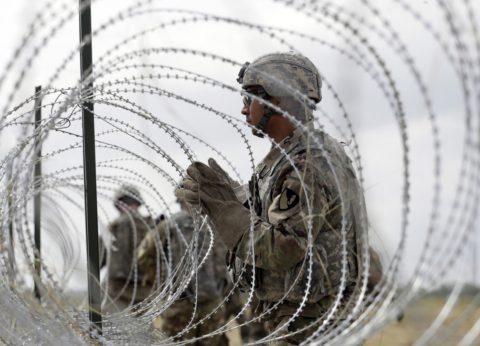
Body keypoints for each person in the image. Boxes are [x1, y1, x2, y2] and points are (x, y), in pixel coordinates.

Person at [175, 51, 369, 345]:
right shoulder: (288, 158)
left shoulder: (308, 163)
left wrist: (223, 210)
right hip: (295, 317)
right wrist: (231, 195)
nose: (243, 110)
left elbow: (283, 247)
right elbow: (271, 216)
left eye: (249, 98)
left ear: (278, 99)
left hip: (309, 322)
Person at [137, 195, 229, 346]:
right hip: (212, 299)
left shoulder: (170, 225)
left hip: (182, 301)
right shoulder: (215, 226)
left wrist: (163, 282)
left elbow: (143, 255)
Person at [102, 185, 152, 314]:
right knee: (141, 331)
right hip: (144, 290)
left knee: (108, 330)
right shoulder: (152, 226)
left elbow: (97, 258)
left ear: (120, 203)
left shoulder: (114, 227)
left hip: (116, 291)